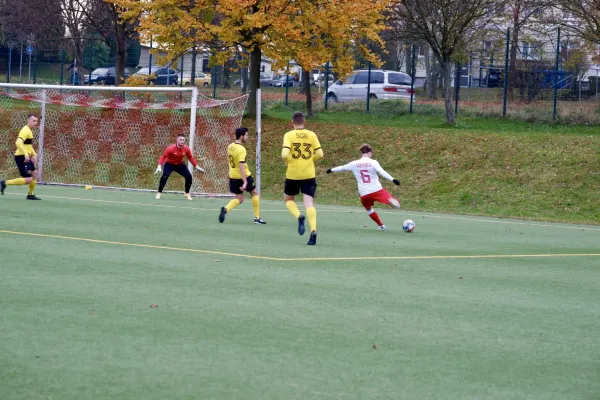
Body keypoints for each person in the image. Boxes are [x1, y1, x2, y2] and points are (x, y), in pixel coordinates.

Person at [326, 144, 400, 230]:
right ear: (370, 152)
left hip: (364, 193)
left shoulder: (354, 163)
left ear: (361, 153)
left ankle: (381, 225)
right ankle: (391, 201)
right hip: (376, 190)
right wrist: (393, 179)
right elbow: (382, 172)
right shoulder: (373, 162)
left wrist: (331, 170)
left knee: (369, 209)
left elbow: (342, 168)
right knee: (392, 200)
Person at [281, 111, 323, 245]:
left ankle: (299, 216)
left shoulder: (289, 135)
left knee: (288, 200)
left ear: (291, 122)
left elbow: (284, 154)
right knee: (309, 203)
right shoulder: (311, 135)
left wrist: (289, 161)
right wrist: (311, 159)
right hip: (308, 174)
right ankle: (314, 231)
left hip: (293, 173)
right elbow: (320, 154)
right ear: (305, 122)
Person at [218, 127, 266, 224]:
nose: (247, 137)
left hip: (233, 176)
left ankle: (226, 209)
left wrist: (229, 173)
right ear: (241, 136)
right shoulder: (241, 149)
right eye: (246, 135)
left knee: (239, 199)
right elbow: (241, 165)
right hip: (244, 176)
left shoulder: (230, 146)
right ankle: (257, 218)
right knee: (254, 193)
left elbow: (231, 161)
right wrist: (245, 181)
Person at [1, 114, 41, 200]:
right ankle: (4, 183)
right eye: (34, 121)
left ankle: (30, 194)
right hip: (21, 157)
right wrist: (26, 155)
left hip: (25, 156)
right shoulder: (25, 130)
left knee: (34, 173)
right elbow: (18, 143)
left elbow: (28, 145)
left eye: (36, 121)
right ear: (28, 121)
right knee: (29, 179)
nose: (36, 123)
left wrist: (34, 154)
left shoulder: (29, 131)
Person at [154, 133, 205, 200]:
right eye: (180, 140)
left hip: (179, 164)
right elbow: (163, 157)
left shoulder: (186, 149)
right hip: (169, 164)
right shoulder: (170, 148)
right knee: (165, 176)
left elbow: (190, 157)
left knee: (189, 176)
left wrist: (197, 166)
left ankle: (187, 193)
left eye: (183, 140)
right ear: (177, 140)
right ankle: (159, 192)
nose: (182, 141)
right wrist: (159, 166)